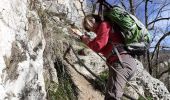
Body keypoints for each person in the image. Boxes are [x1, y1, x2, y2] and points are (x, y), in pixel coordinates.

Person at [70, 14, 137, 100]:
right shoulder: (102, 33)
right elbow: (95, 44)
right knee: (111, 95)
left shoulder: (104, 25)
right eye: (87, 26)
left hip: (121, 62)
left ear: (94, 19)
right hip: (122, 63)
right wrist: (81, 37)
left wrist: (82, 37)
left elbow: (98, 46)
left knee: (112, 96)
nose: (90, 26)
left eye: (90, 22)